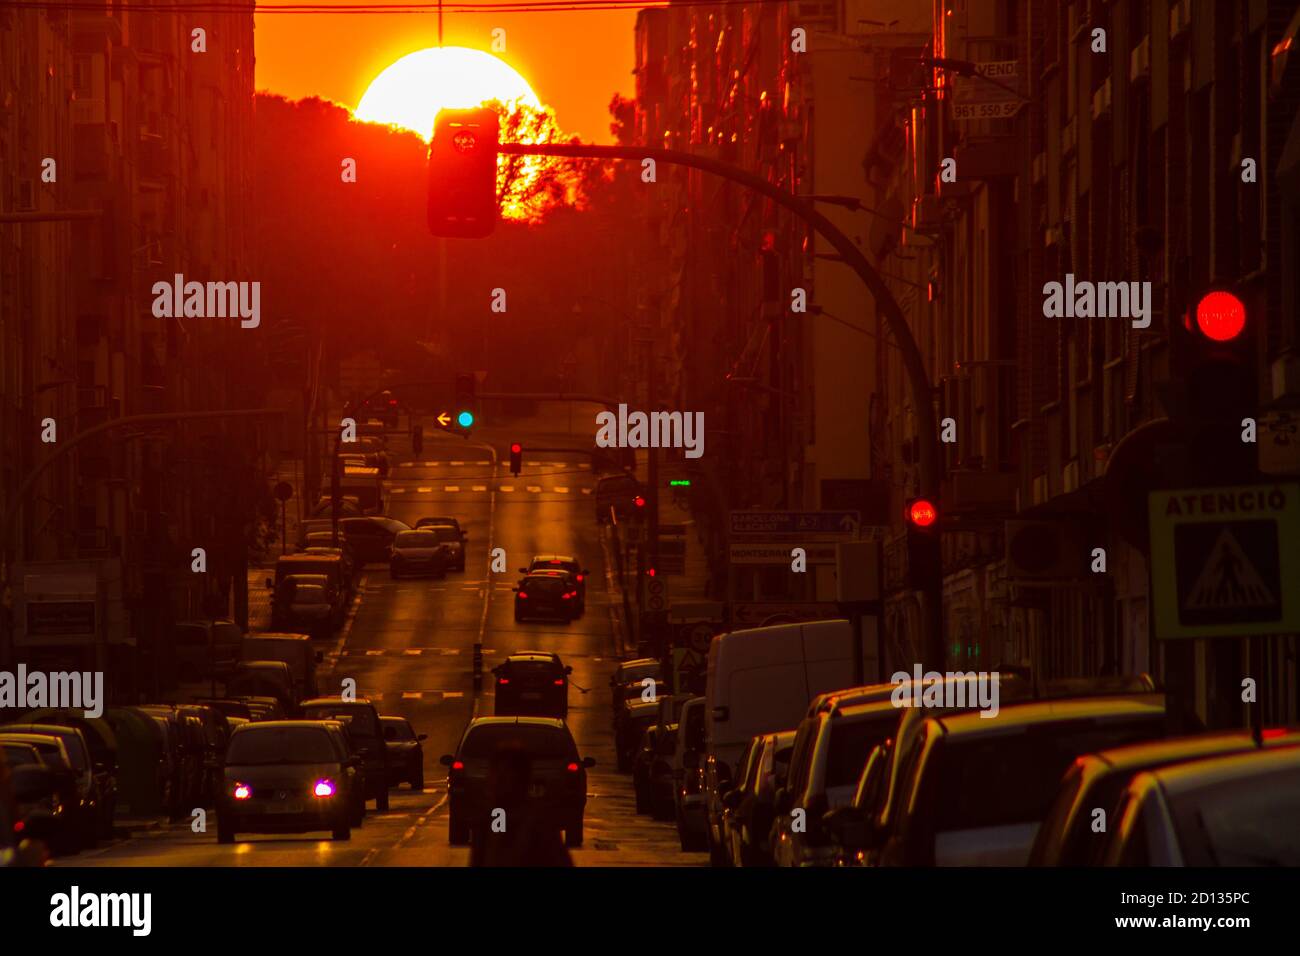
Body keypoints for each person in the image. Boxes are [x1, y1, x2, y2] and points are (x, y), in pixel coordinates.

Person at [469, 743, 572, 867]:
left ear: (520, 781)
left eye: (502, 778)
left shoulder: (539, 825)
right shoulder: (490, 821)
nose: (493, 784)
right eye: (493, 776)